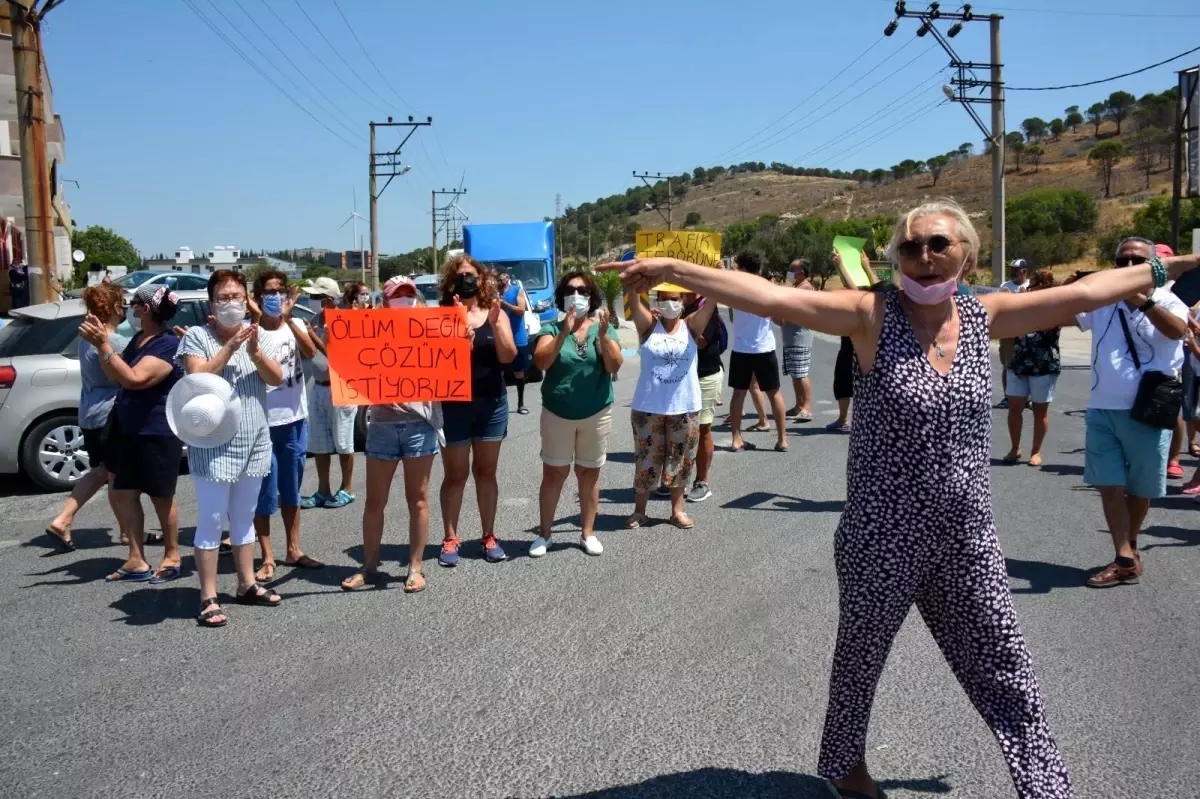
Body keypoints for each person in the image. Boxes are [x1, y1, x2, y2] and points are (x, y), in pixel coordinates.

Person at [598, 200, 1199, 798]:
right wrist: (676, 267)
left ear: (967, 251)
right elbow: (769, 297)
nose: (926, 257)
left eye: (939, 243)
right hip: (881, 532)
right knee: (860, 662)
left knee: (1007, 665)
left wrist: (1184, 262)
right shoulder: (870, 315)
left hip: (967, 534)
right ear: (895, 257)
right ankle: (844, 768)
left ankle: (1046, 788)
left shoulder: (986, 313)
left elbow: (1090, 291)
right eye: (911, 247)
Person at [1078, 236, 1188, 589]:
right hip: (1101, 406)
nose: (1127, 267)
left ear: (1153, 266)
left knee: (1139, 490)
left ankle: (1131, 543)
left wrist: (1139, 298)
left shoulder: (1169, 300)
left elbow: (1178, 331)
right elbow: (1064, 311)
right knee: (1109, 485)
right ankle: (1124, 554)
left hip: (1148, 409)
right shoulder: (1101, 300)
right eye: (1121, 261)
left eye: (1137, 261)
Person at [178, 270, 285, 628]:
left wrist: (254, 351)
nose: (232, 303)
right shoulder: (197, 336)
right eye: (224, 298)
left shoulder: (256, 335)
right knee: (211, 518)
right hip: (213, 444)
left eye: (238, 296)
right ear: (211, 304)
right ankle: (208, 595)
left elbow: (276, 377)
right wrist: (230, 347)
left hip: (253, 440)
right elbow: (198, 377)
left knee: (244, 515)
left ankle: (246, 583)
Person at [342, 277, 442, 593]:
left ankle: (415, 567)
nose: (403, 299)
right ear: (385, 301)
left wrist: (460, 340)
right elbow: (348, 369)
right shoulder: (367, 331)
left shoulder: (433, 330)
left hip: (419, 425)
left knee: (419, 500)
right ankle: (369, 567)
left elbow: (449, 366)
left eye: (408, 295)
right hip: (382, 426)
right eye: (397, 295)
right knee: (375, 501)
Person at [80, 283, 184, 584]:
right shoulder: (139, 338)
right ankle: (137, 560)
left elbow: (135, 379)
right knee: (124, 492)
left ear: (146, 308)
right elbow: (115, 373)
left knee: (161, 497)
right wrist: (103, 346)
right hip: (128, 429)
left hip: (156, 431)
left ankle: (172, 555)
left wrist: (104, 345)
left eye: (135, 304)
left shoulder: (165, 344)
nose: (131, 309)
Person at [529, 271, 623, 558]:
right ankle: (545, 535)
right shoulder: (551, 329)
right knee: (554, 473)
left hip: (595, 413)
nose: (577, 295)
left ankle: (587, 533)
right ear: (562, 297)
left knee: (589, 473)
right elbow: (542, 362)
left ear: (591, 296)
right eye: (571, 290)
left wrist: (605, 337)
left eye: (583, 291)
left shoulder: (603, 328)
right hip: (558, 413)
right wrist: (565, 332)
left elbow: (614, 365)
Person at [436, 255, 518, 566]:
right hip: (454, 406)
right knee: (455, 475)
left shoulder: (495, 313)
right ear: (450, 282)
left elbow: (508, 357)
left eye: (472, 275)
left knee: (486, 472)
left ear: (481, 280)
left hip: (491, 404)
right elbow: (439, 364)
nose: (467, 281)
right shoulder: (441, 315)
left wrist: (496, 322)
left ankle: (488, 535)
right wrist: (455, 325)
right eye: (460, 276)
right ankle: (450, 537)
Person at [45, 283, 130, 551]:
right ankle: (127, 532)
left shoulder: (86, 336)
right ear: (115, 307)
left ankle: (67, 520)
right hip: (110, 414)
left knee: (100, 471)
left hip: (90, 412)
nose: (126, 307)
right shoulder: (112, 341)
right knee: (116, 476)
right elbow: (119, 376)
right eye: (123, 303)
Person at [248, 271, 320, 582]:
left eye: (279, 290)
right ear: (258, 296)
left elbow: (311, 352)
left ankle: (294, 549)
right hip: (262, 423)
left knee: (292, 490)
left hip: (293, 421)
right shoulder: (251, 332)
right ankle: (266, 556)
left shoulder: (296, 325)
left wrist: (290, 320)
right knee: (264, 493)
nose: (275, 296)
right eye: (269, 291)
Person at [625, 284, 714, 530]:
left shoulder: (692, 326)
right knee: (646, 459)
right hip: (648, 406)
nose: (669, 304)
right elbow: (633, 300)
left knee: (682, 459)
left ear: (683, 301)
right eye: (663, 299)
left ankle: (678, 511)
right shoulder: (648, 326)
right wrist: (635, 282)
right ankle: (639, 512)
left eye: (673, 299)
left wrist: (715, 276)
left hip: (684, 406)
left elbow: (713, 301)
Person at [300, 276, 357, 509]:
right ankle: (323, 489)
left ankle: (347, 488)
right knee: (320, 444)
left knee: (344, 442)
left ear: (329, 299)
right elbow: (309, 355)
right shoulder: (314, 319)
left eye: (316, 297)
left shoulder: (344, 321)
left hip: (341, 387)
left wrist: (312, 337)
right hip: (319, 387)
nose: (312, 300)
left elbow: (339, 357)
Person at [726, 252, 789, 452]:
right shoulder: (766, 289)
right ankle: (782, 439)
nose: (735, 268)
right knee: (774, 393)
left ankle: (736, 438)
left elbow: (732, 316)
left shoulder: (734, 289)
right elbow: (780, 320)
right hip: (765, 349)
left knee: (738, 394)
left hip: (742, 349)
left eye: (737, 265)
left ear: (744, 268)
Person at [1002, 269, 1061, 467]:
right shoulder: (1022, 305)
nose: (1028, 288)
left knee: (1039, 410)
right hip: (1019, 362)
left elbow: (1044, 327)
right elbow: (1009, 328)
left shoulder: (1054, 308)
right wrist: (1014, 305)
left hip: (1043, 364)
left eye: (1034, 285)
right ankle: (1014, 447)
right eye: (1030, 285)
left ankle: (1036, 451)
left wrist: (1025, 305)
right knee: (1014, 408)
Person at [684, 291, 723, 503]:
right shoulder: (675, 303)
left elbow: (701, 342)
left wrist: (682, 324)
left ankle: (702, 482)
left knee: (703, 427)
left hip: (705, 375)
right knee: (678, 428)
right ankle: (673, 479)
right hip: (682, 376)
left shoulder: (706, 306)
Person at [780, 259, 815, 421]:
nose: (789, 273)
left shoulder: (805, 288)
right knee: (795, 374)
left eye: (791, 270)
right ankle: (799, 405)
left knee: (801, 374)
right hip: (791, 337)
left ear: (801, 272)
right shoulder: (796, 288)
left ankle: (807, 407)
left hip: (800, 338)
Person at [497, 269, 533, 414]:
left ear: (507, 277)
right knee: (498, 373)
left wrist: (504, 304)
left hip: (518, 338)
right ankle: (499, 406)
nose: (500, 280)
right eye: (498, 278)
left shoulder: (517, 290)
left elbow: (521, 310)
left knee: (519, 372)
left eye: (502, 277)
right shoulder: (494, 293)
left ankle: (521, 404)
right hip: (499, 338)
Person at [996, 258, 1031, 407]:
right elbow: (998, 307)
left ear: (1024, 272)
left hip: (1027, 334)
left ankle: (1027, 398)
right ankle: (1007, 397)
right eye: (1012, 270)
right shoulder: (1005, 286)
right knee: (1008, 366)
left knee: (1028, 365)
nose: (1013, 273)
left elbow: (1035, 309)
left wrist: (1025, 297)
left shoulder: (1030, 286)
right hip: (1008, 333)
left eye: (1016, 270)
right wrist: (1003, 298)